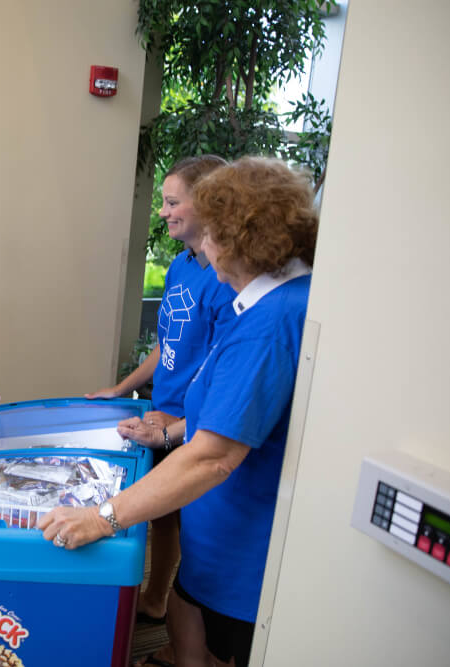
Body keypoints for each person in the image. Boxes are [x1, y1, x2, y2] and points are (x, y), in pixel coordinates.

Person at [40, 157, 318, 667]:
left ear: (233, 237)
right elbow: (245, 412)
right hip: (219, 535)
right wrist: (173, 430)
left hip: (243, 548)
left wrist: (104, 517)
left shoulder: (270, 322)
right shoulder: (278, 303)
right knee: (190, 625)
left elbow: (214, 457)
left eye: (208, 233)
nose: (202, 249)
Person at [85, 156, 234, 629]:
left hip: (192, 427)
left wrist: (178, 429)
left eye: (173, 202)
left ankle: (175, 620)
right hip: (161, 414)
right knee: (162, 518)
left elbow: (223, 373)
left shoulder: (227, 278)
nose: (164, 212)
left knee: (197, 531)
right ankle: (155, 599)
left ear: (208, 204)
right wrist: (121, 388)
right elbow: (166, 346)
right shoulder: (180, 266)